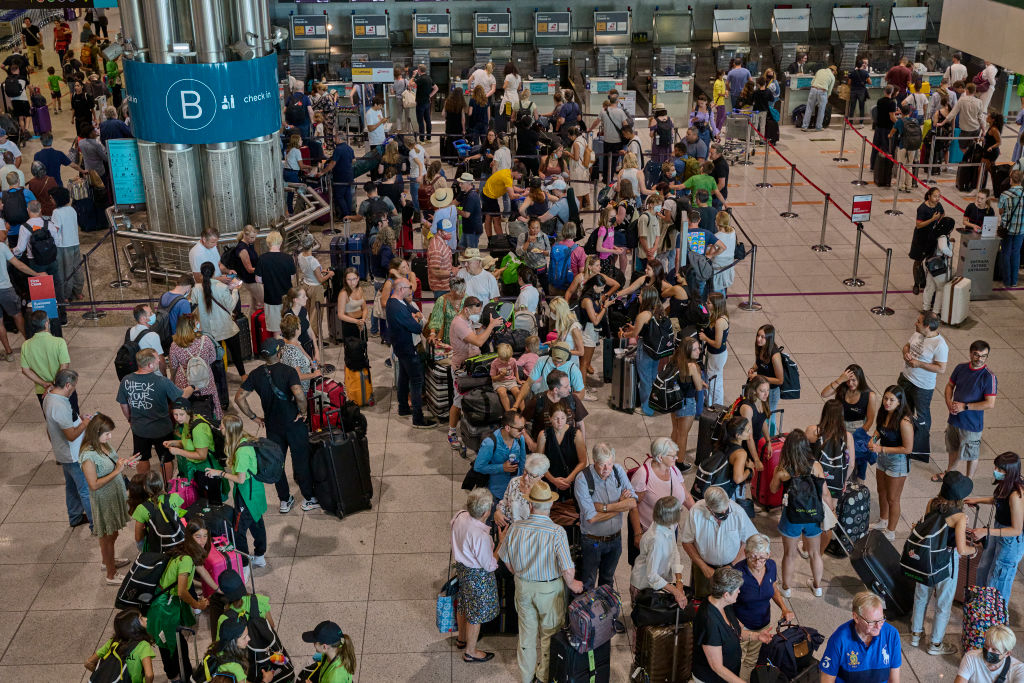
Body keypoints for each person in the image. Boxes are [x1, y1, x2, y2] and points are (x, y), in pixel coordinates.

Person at [497, 480, 583, 683]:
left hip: (523, 587)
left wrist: (521, 574)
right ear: (550, 504)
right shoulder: (557, 532)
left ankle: (526, 678)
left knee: (526, 635)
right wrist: (573, 584)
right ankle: (543, 677)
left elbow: (507, 561)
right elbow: (567, 568)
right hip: (549, 591)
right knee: (549, 636)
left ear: (530, 504)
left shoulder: (516, 528)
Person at [234, 339, 314, 515]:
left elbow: (239, 398)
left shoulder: (255, 374)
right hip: (293, 423)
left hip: (272, 426)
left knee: (277, 462)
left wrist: (254, 417)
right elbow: (299, 395)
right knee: (300, 460)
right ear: (279, 353)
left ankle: (285, 500)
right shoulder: (289, 371)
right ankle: (309, 498)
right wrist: (303, 412)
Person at [906, 471, 977, 655]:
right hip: (947, 561)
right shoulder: (959, 517)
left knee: (921, 596)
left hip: (927, 557)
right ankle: (935, 644)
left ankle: (915, 634)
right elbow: (961, 549)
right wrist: (974, 550)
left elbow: (929, 528)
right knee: (943, 603)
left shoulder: (932, 502)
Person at [769, 429, 833, 598]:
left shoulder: (783, 470)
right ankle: (817, 586)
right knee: (814, 553)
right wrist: (830, 511)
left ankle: (787, 588)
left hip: (792, 516)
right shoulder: (816, 466)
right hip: (813, 515)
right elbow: (825, 493)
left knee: (789, 554)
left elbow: (772, 489)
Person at [146, 520, 210, 682]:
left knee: (176, 644)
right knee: (170, 647)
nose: (202, 540)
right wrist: (197, 605)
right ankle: (176, 677)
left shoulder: (185, 548)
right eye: (198, 536)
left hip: (166, 603)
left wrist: (216, 588)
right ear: (190, 537)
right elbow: (182, 591)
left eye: (205, 536)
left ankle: (181, 674)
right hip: (163, 609)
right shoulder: (187, 560)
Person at [117, 348, 189, 480]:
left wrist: (130, 419)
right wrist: (192, 387)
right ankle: (167, 485)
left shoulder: (126, 380)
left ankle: (144, 485)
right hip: (161, 428)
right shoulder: (162, 381)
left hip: (139, 428)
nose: (159, 361)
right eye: (157, 359)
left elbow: (123, 404)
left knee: (142, 457)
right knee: (166, 458)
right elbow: (180, 397)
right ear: (150, 365)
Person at [693, 566, 773, 683]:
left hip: (728, 675)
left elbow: (734, 632)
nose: (739, 592)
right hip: (712, 679)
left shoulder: (724, 605)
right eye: (737, 590)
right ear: (726, 594)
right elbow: (717, 667)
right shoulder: (709, 622)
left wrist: (757, 636)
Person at [574, 442, 637, 592]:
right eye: (602, 464)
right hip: (592, 541)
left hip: (615, 540)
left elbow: (633, 502)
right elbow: (592, 518)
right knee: (588, 582)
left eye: (609, 464)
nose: (606, 469)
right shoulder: (583, 479)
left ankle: (606, 614)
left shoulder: (618, 471)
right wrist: (621, 505)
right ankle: (588, 614)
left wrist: (605, 507)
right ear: (594, 461)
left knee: (607, 581)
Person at [79, 412, 134, 584]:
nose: (110, 436)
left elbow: (112, 462)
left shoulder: (103, 444)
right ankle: (111, 573)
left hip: (114, 494)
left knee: (112, 533)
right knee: (108, 536)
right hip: (104, 500)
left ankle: (107, 561)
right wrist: (117, 471)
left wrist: (123, 463)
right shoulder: (88, 456)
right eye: (107, 433)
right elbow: (93, 484)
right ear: (96, 433)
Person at [209, 413, 269, 567]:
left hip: (246, 495)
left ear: (229, 431)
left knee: (238, 531)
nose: (220, 428)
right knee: (256, 522)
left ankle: (244, 564)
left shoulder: (241, 452)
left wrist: (220, 473)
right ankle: (260, 555)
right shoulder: (244, 440)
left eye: (222, 426)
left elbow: (240, 479)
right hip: (255, 491)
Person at [734, 534, 794, 680]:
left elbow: (773, 588)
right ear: (746, 553)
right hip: (741, 627)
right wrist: (736, 623)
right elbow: (726, 602)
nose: (757, 562)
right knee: (736, 661)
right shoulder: (737, 573)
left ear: (768, 555)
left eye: (762, 557)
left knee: (751, 660)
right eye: (752, 557)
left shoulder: (771, 566)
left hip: (762, 625)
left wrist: (784, 608)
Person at [967, 451, 1024, 607]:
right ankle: (981, 610)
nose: (996, 472)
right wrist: (978, 499)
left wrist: (985, 531)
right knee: (983, 569)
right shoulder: (1006, 485)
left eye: (1000, 470)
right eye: (996, 468)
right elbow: (999, 500)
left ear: (1010, 472)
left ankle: (994, 617)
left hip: (1010, 541)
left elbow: (1016, 530)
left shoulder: (1016, 495)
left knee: (997, 581)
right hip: (999, 531)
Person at [681, 485, 758, 599]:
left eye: (726, 510)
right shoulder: (696, 512)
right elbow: (686, 542)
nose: (724, 513)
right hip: (704, 567)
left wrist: (732, 565)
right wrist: (703, 567)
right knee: (704, 601)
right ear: (708, 508)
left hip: (734, 566)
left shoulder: (738, 512)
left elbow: (749, 542)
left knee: (732, 600)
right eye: (720, 513)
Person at [937, 340, 998, 481]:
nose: (980, 359)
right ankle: (949, 473)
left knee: (972, 454)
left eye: (984, 356)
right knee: (952, 448)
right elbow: (949, 386)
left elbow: (990, 404)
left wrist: (964, 407)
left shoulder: (989, 377)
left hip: (971, 424)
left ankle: (968, 480)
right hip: (954, 419)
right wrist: (948, 402)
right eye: (976, 355)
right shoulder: (961, 368)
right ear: (970, 354)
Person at [628, 438, 692, 564]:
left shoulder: (674, 470)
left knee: (665, 566)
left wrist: (699, 514)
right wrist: (637, 534)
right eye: (673, 455)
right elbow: (633, 505)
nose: (676, 458)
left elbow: (686, 497)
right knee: (643, 573)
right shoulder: (643, 475)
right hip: (648, 534)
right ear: (660, 457)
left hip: (669, 531)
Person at [43, 368, 92, 529]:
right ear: (68, 385)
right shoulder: (60, 405)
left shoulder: (49, 397)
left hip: (62, 452)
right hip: (73, 455)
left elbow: (50, 428)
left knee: (71, 487)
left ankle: (75, 516)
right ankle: (96, 524)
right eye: (74, 386)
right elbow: (71, 435)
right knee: (85, 489)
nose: (74, 389)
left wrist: (79, 419)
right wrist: (85, 423)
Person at [819, 591, 903, 683]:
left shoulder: (892, 635)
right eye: (871, 622)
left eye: (881, 619)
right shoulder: (839, 640)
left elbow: (894, 680)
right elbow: (827, 680)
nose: (878, 627)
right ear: (856, 617)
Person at [386, 277, 436, 428]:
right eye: (409, 287)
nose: (411, 289)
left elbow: (413, 311)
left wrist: (416, 315)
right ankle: (418, 418)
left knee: (403, 377)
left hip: (401, 348)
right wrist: (417, 320)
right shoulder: (397, 307)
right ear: (401, 289)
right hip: (407, 348)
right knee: (416, 381)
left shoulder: (396, 302)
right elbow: (416, 328)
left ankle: (403, 408)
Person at [868, 384, 916, 541]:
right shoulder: (884, 413)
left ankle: (891, 530)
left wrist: (881, 449)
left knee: (893, 498)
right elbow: (879, 430)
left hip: (897, 462)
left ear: (899, 402)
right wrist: (873, 439)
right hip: (883, 457)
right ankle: (883, 520)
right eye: (886, 398)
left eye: (892, 400)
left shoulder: (904, 422)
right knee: (881, 490)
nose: (887, 402)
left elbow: (907, 449)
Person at [899, 311, 948, 458]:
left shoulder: (940, 345)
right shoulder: (918, 334)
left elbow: (941, 368)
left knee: (922, 416)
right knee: (903, 410)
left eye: (918, 321)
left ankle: (919, 449)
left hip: (922, 387)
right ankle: (904, 439)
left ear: (927, 325)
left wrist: (919, 364)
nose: (915, 323)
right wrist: (906, 353)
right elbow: (906, 346)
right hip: (906, 379)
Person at [821, 364, 879, 483]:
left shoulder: (869, 395)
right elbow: (824, 394)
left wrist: (858, 435)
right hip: (839, 427)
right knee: (837, 459)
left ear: (860, 379)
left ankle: (857, 485)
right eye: (848, 380)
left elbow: (870, 420)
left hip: (857, 429)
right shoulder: (842, 389)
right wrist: (840, 380)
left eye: (854, 380)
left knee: (858, 463)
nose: (850, 383)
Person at [619, 286, 670, 417]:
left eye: (641, 295)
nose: (638, 297)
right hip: (656, 349)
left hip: (646, 348)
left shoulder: (643, 314)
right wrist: (635, 327)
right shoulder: (659, 311)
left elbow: (635, 334)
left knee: (644, 379)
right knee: (653, 377)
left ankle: (646, 408)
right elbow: (648, 329)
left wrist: (623, 335)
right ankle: (653, 403)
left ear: (647, 298)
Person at [630, 495, 689, 608]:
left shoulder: (668, 525)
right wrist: (676, 592)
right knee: (646, 621)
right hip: (644, 586)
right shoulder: (656, 540)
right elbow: (652, 575)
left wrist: (679, 581)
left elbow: (674, 551)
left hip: (659, 583)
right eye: (679, 511)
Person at [163, 397, 225, 504]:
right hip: (198, 470)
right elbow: (189, 444)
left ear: (189, 411)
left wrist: (178, 451)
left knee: (211, 504)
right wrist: (174, 443)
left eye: (181, 414)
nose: (178, 418)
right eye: (175, 415)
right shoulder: (188, 422)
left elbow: (202, 455)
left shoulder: (198, 428)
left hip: (208, 472)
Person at [191, 261, 247, 379]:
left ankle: (218, 378)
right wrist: (235, 290)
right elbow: (231, 306)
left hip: (208, 331)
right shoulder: (221, 287)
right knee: (236, 353)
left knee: (214, 357)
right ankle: (243, 375)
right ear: (214, 272)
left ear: (201, 273)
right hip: (225, 327)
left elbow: (194, 307)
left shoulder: (196, 288)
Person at [84, 609, 157, 683]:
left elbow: (88, 663)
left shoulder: (113, 642)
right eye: (141, 618)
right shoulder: (143, 645)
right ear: (132, 627)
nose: (146, 619)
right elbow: (149, 675)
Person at [534, 403, 587, 505]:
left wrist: (568, 480)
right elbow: (539, 463)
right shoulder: (543, 435)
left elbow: (583, 461)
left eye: (563, 418)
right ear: (549, 418)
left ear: (567, 417)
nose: (559, 422)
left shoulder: (576, 434)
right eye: (556, 418)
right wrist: (553, 480)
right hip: (549, 481)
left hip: (572, 481)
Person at [20, 311, 71, 409]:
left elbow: (25, 370)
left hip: (42, 390)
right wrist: (55, 385)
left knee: (51, 418)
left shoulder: (26, 345)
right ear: (46, 323)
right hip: (62, 388)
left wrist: (44, 384)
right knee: (71, 418)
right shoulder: (59, 342)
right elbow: (64, 366)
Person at [473, 410, 528, 500]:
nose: (523, 431)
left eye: (524, 427)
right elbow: (478, 467)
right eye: (520, 429)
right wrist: (502, 467)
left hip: (514, 490)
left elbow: (522, 460)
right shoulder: (490, 443)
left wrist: (522, 479)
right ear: (507, 428)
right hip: (496, 492)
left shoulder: (520, 438)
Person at [669, 336, 706, 463]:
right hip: (687, 403)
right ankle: (679, 463)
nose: (698, 351)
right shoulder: (693, 366)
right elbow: (699, 387)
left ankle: (671, 458)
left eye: (699, 348)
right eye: (695, 349)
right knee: (683, 435)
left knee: (675, 430)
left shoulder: (675, 360)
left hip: (674, 400)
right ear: (687, 351)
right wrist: (700, 379)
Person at [255, 230, 295, 339]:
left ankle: (280, 354)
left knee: (276, 331)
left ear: (268, 243)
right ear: (281, 243)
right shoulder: (288, 258)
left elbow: (258, 280)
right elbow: (292, 277)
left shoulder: (262, 259)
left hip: (271, 298)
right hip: (287, 298)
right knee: (290, 329)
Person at [494, 453, 551, 527]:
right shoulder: (514, 482)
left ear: (541, 476)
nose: (526, 477)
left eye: (531, 475)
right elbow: (504, 502)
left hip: (529, 532)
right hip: (510, 528)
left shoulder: (543, 490)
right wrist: (498, 512)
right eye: (525, 471)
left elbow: (543, 519)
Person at [955, 625, 1024, 683]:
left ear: (1007, 653)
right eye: (986, 646)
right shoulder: (971, 657)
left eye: (994, 649)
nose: (988, 651)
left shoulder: (1019, 669)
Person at [910, 188, 946, 295]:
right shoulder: (922, 208)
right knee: (918, 261)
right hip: (921, 238)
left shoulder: (938, 205)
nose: (937, 199)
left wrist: (938, 222)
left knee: (930, 260)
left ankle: (926, 281)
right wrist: (932, 219)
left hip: (932, 237)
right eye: (935, 196)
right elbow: (919, 225)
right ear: (929, 196)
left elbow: (943, 214)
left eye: (939, 196)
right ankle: (916, 284)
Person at [699, 292, 729, 406]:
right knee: (711, 379)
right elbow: (704, 311)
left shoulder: (720, 322)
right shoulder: (714, 315)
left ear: (716, 305)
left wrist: (705, 337)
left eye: (709, 303)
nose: (706, 304)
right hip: (713, 354)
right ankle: (711, 402)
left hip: (717, 355)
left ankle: (717, 405)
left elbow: (717, 344)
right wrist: (700, 306)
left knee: (714, 382)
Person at [747, 324, 784, 415]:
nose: (758, 339)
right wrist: (753, 368)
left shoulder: (775, 356)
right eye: (758, 335)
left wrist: (759, 377)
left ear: (769, 339)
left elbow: (780, 380)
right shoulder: (761, 347)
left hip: (771, 392)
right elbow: (759, 362)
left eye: (762, 337)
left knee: (768, 419)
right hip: (760, 387)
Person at [922, 213, 954, 314]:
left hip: (930, 263)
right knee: (940, 289)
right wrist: (950, 252)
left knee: (929, 287)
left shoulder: (934, 232)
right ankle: (936, 311)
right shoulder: (942, 237)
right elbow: (943, 248)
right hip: (939, 267)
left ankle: (925, 308)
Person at [997, 169, 1024, 287]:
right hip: (1021, 229)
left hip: (1007, 229)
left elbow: (1000, 211)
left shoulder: (1005, 195)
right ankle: (1014, 281)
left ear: (1011, 180)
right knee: (1016, 253)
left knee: (1006, 253)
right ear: (1022, 180)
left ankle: (1007, 281)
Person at [413, 64, 438, 143]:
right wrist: (429, 96)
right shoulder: (429, 78)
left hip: (420, 103)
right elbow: (436, 88)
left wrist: (414, 75)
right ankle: (429, 138)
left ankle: (421, 139)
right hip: (427, 103)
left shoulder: (420, 79)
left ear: (419, 70)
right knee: (427, 120)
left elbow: (411, 84)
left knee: (420, 121)